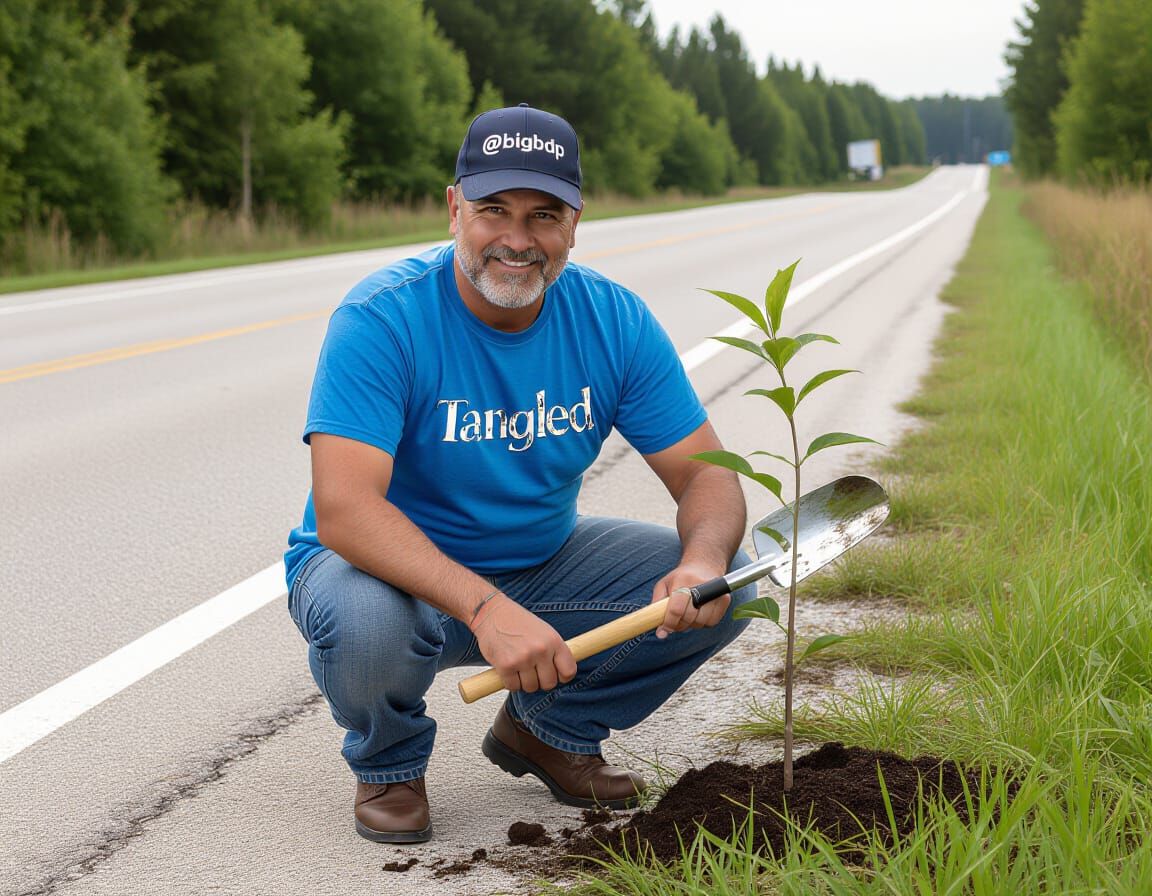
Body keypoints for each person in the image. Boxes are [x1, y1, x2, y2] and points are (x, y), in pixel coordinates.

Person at [285, 104, 755, 844]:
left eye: (543, 215)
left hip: (541, 568)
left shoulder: (613, 321)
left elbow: (709, 478)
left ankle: (546, 729)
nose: (516, 238)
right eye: (493, 209)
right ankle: (389, 764)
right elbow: (344, 511)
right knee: (367, 623)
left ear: (574, 222)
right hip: (380, 574)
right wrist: (484, 609)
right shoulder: (382, 318)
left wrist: (699, 560)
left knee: (735, 578)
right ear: (453, 208)